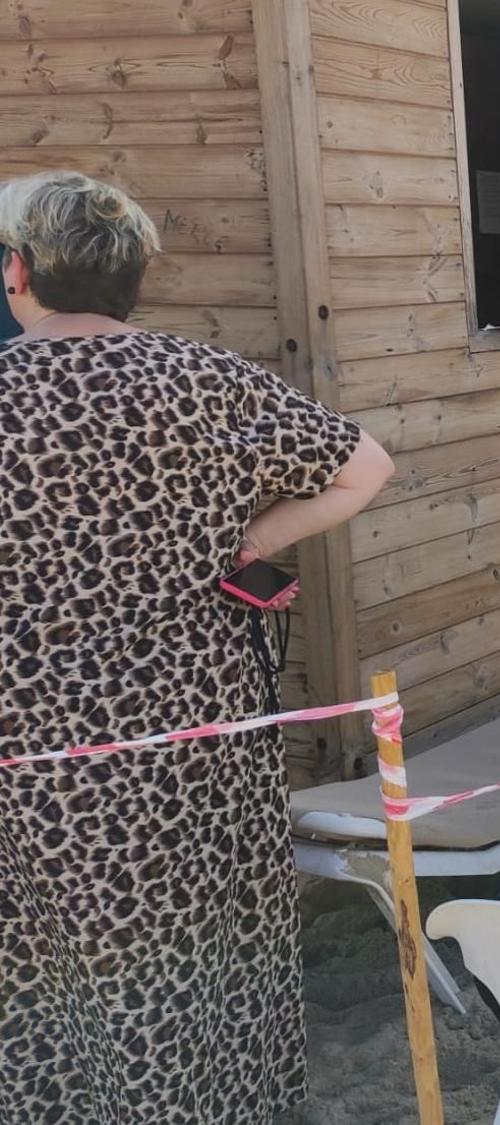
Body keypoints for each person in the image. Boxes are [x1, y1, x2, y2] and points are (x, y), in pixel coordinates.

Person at [0, 171, 394, 1120]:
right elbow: (366, 465)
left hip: (40, 743)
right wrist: (256, 540)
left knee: (52, 951)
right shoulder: (208, 380)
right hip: (203, 722)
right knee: (215, 929)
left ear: (18, 274)